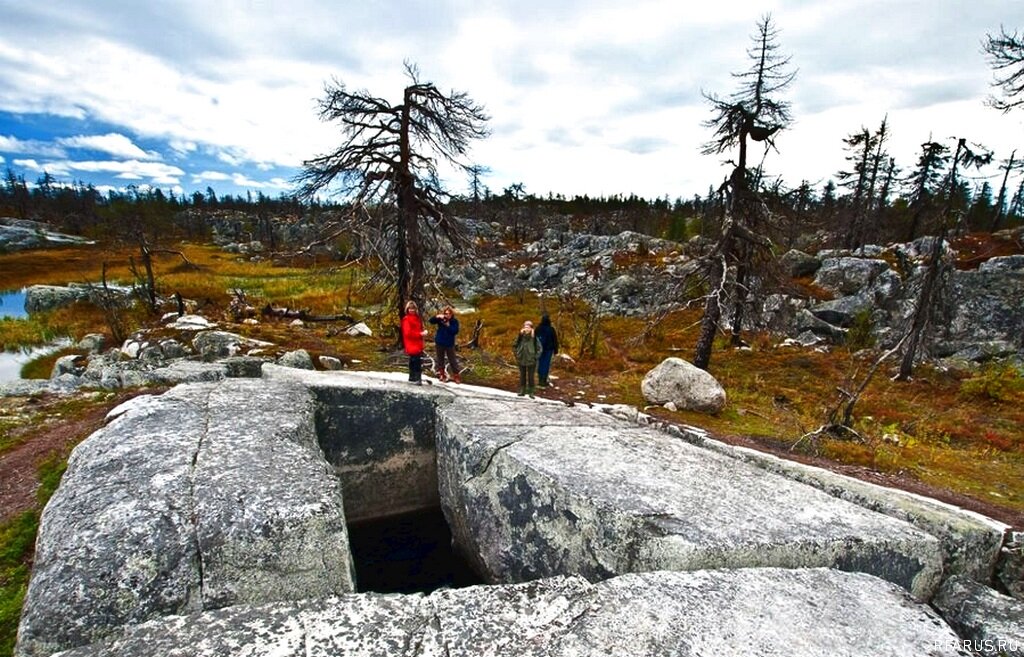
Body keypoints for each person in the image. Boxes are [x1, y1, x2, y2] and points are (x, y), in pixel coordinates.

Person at [429, 305, 461, 383]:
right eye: (446, 313)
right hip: (440, 342)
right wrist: (437, 316)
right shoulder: (441, 319)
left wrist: (448, 326)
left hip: (449, 344)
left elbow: (455, 331)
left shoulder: (454, 321)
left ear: (452, 314)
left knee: (452, 360)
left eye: (449, 314)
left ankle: (456, 375)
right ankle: (441, 374)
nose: (447, 315)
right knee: (440, 359)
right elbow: (431, 321)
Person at [401, 300, 428, 385]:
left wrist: (421, 333)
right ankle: (417, 378)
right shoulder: (406, 319)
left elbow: (418, 329)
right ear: (407, 309)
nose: (412, 310)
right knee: (416, 360)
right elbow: (407, 333)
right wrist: (420, 334)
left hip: (417, 342)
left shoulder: (417, 318)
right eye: (410, 309)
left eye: (413, 309)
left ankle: (412, 377)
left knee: (413, 359)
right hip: (411, 342)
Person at [513, 319, 541, 397]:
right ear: (523, 328)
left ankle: (531, 392)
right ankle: (522, 390)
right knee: (522, 376)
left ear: (531, 328)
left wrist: (536, 357)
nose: (527, 329)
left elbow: (540, 348)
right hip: (521, 359)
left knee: (531, 377)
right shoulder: (520, 336)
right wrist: (517, 355)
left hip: (531, 360)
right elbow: (514, 345)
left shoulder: (534, 338)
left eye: (528, 327)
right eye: (525, 327)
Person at [535, 313, 559, 387]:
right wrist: (556, 350)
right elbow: (555, 340)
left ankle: (540, 381)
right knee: (546, 364)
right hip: (549, 349)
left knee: (540, 364)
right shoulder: (551, 329)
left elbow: (533, 339)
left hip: (540, 349)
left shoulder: (538, 328)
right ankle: (544, 381)